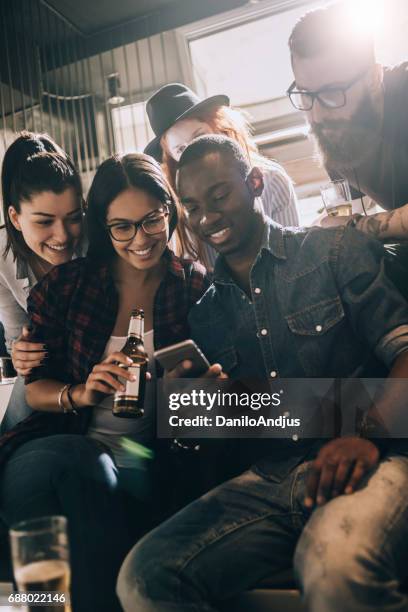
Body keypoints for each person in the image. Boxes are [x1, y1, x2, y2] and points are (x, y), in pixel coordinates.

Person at [117, 136, 408, 612]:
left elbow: (405, 352)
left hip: (375, 460)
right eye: (190, 205)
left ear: (253, 183)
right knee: (143, 576)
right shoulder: (205, 314)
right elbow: (241, 426)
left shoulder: (334, 250)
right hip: (271, 479)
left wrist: (366, 434)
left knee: (335, 570)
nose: (206, 216)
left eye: (219, 196)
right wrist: (199, 411)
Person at [0, 153, 210, 611]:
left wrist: (189, 393)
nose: (141, 239)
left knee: (124, 501)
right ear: (103, 226)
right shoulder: (67, 286)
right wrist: (81, 392)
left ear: (169, 213)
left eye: (152, 220)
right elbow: (33, 388)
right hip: (53, 445)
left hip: (140, 457)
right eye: (122, 227)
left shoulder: (191, 284)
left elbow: (210, 401)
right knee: (87, 465)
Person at [287, 4, 408, 242]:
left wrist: (359, 227)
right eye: (306, 94)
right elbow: (349, 213)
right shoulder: (335, 134)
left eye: (332, 93)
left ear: (374, 78)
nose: (318, 116)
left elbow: (355, 224)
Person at [144, 82, 299, 267]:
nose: (195, 151)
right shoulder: (179, 212)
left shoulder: (273, 181)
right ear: (171, 158)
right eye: (180, 149)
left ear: (218, 127)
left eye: (199, 136)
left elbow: (294, 259)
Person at [0, 131, 84, 432]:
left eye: (74, 217)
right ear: (15, 217)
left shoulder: (98, 240)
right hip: (46, 374)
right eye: (44, 221)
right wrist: (20, 351)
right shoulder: (1, 256)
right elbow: (14, 336)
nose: (63, 236)